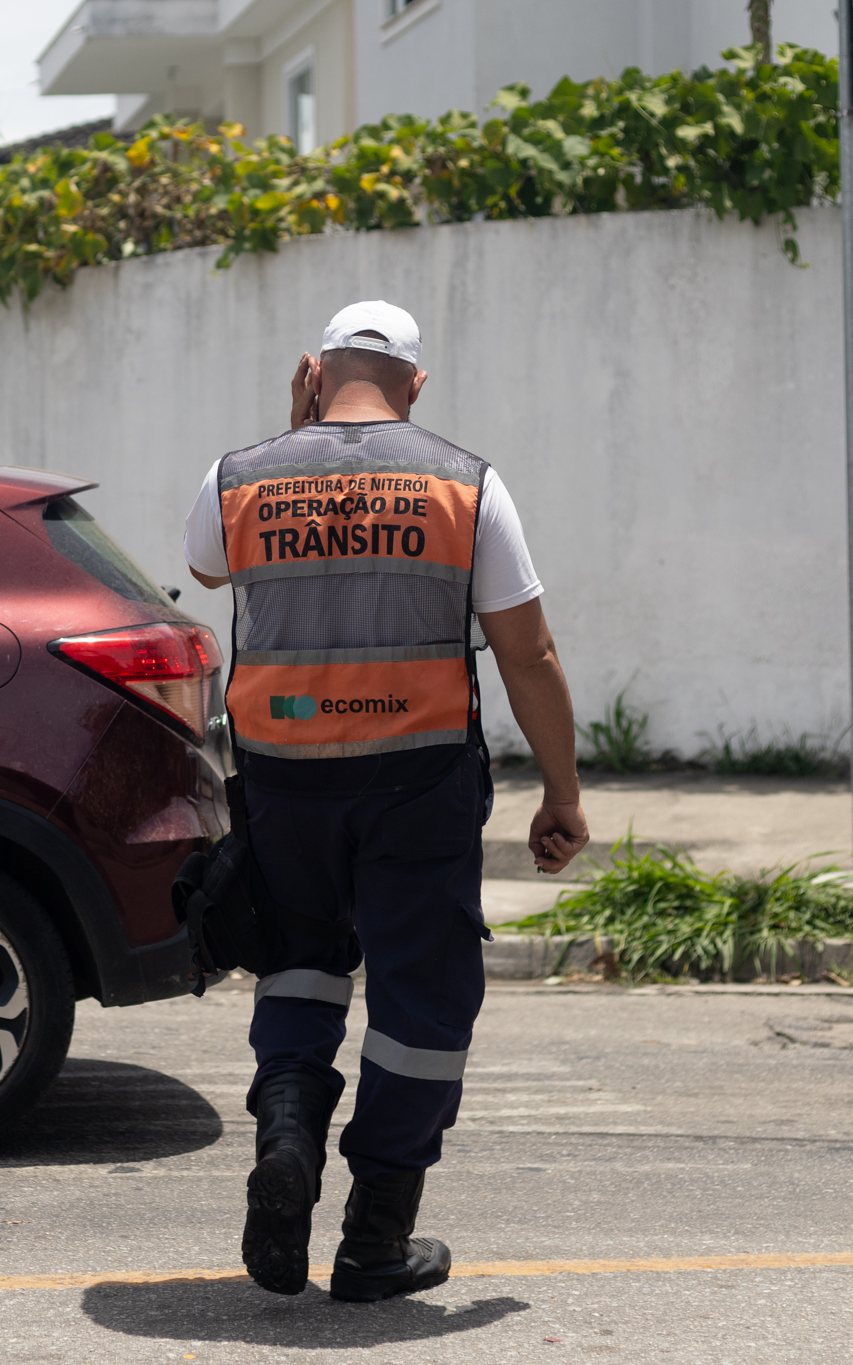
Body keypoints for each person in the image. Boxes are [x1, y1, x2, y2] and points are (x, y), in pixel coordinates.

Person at [181, 300, 590, 1303]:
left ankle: (285, 1138)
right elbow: (525, 650)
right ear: (414, 384)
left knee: (301, 963)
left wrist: (286, 433)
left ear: (314, 371)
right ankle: (372, 1242)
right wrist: (561, 793)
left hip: (284, 777)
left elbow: (206, 566)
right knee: (419, 1000)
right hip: (419, 780)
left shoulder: (236, 475)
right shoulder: (464, 484)